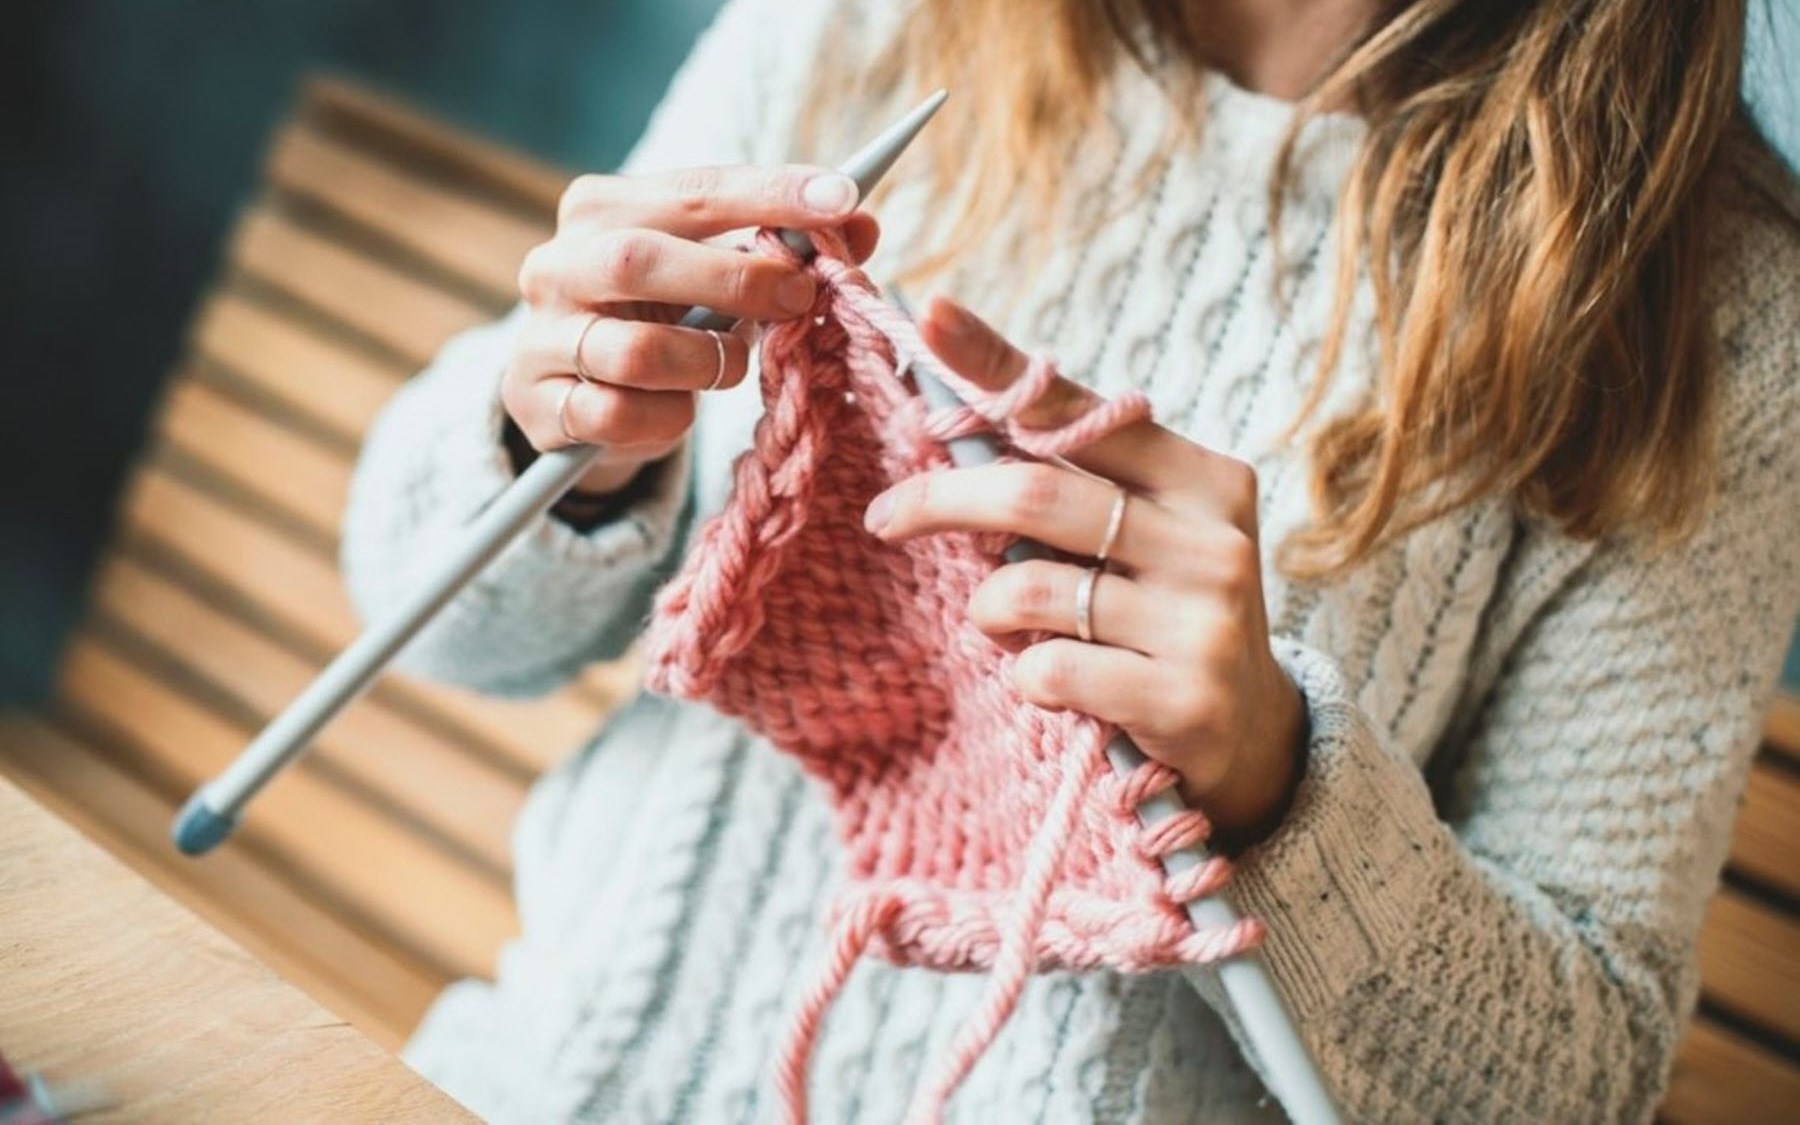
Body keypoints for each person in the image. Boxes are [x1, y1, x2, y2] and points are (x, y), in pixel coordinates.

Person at [341, 0, 1800, 1119]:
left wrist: (1275, 776)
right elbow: (425, 618)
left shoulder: (1710, 298)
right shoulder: (886, 19)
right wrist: (562, 442)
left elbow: (1575, 1079)